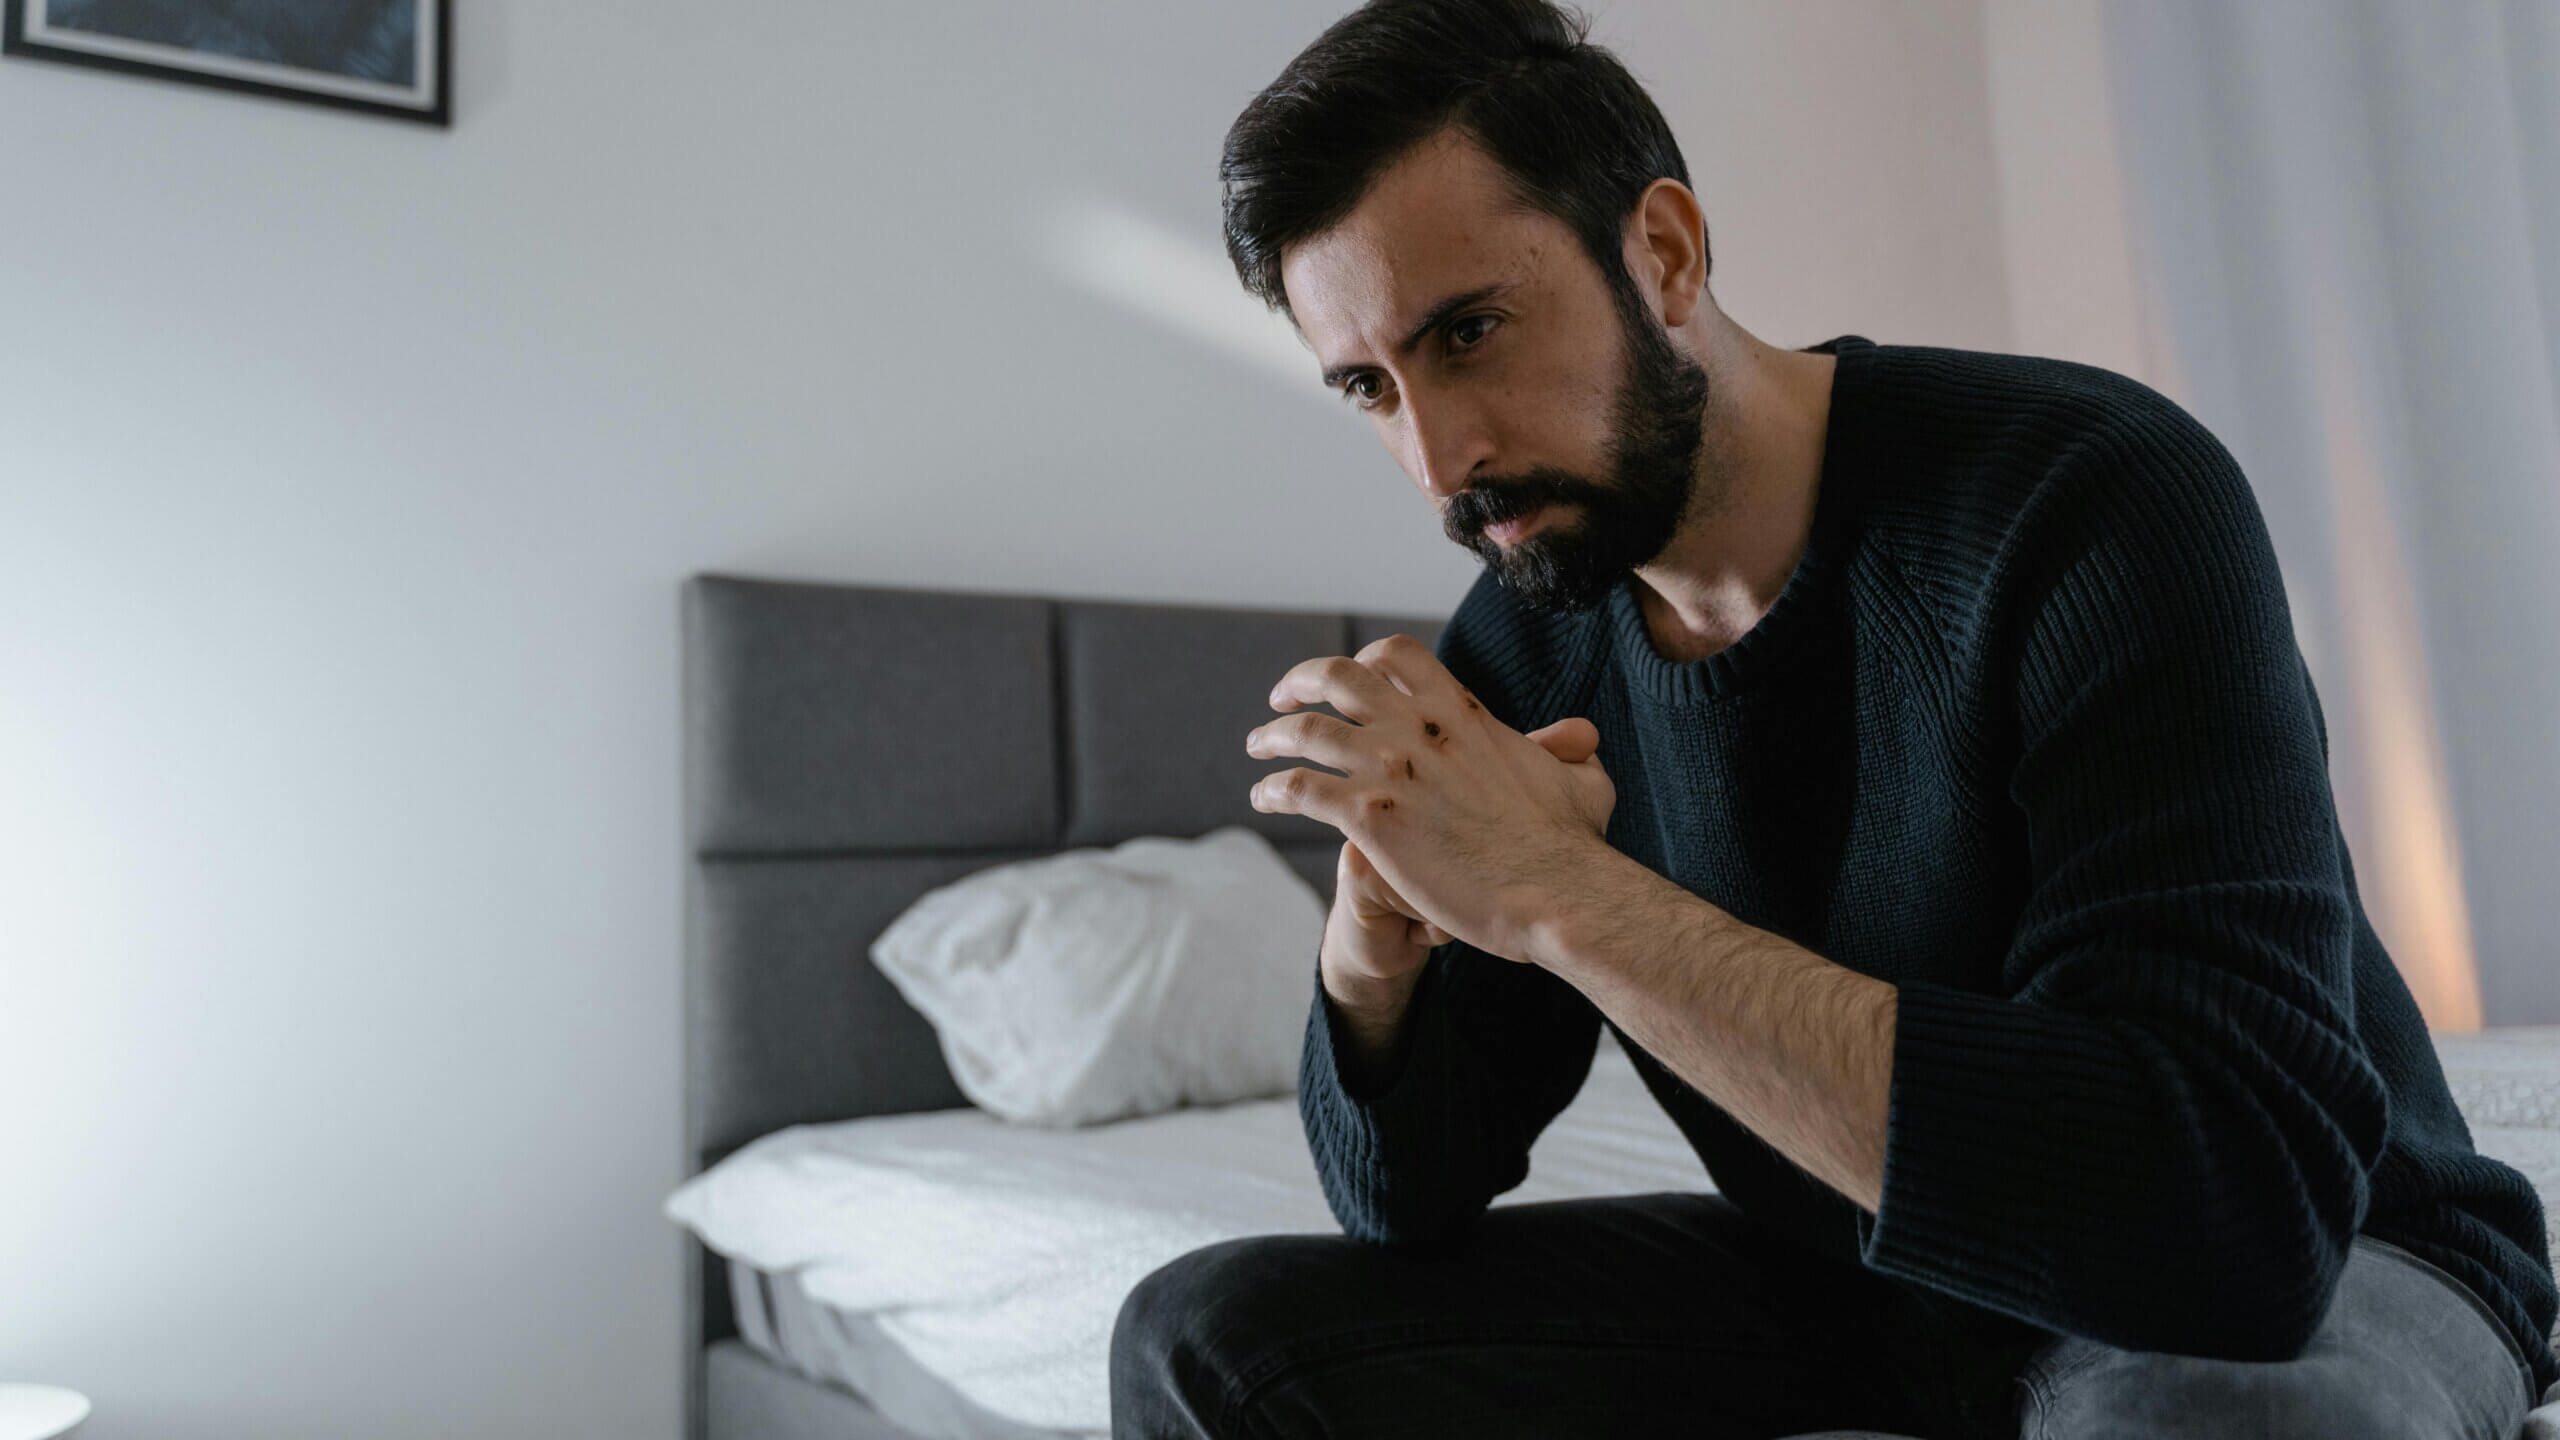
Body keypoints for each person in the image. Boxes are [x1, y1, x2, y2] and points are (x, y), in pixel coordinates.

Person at [1108, 1, 2559, 1437]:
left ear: (1662, 252)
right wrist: (1379, 936)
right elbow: (1404, 1203)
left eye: (1471, 331)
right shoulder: (1531, 636)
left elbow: (2224, 1231)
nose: (1439, 461)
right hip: (1856, 1278)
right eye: (1370, 385)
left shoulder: (2090, 501)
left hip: (2339, 1250)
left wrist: (1560, 895)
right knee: (1213, 1342)